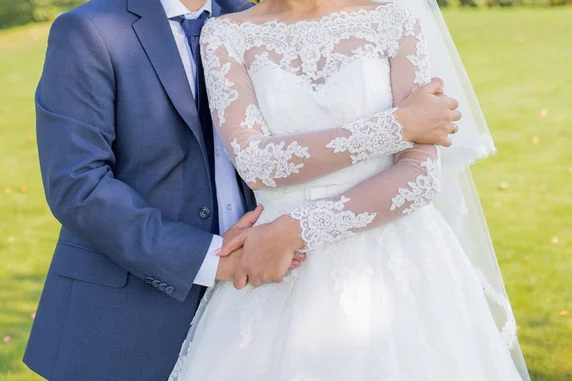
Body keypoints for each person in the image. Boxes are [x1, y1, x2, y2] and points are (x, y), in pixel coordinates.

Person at [23, 0, 457, 379]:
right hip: (139, 303)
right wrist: (210, 260)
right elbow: (78, 185)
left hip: (294, 277)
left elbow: (418, 168)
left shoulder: (241, 15)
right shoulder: (91, 30)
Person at [168, 0, 531, 380]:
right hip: (282, 271)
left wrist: (296, 229)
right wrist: (401, 125)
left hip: (392, 257)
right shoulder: (226, 34)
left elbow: (419, 176)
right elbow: (258, 164)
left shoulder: (394, 20)